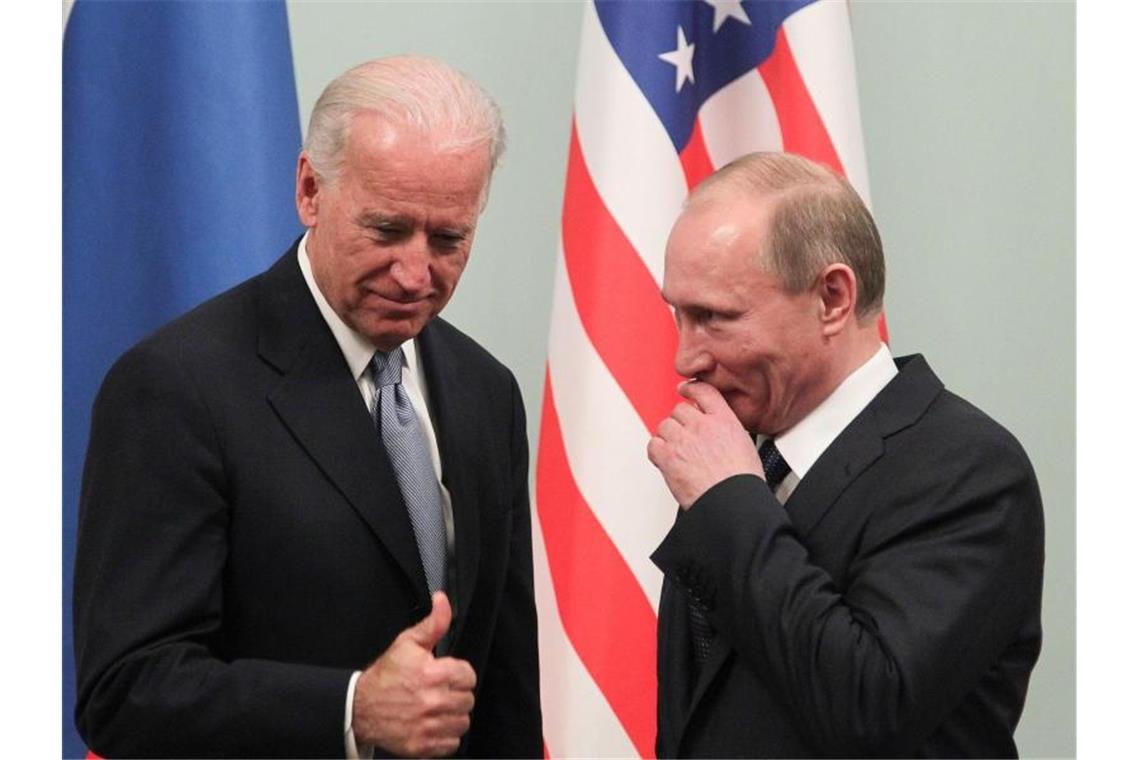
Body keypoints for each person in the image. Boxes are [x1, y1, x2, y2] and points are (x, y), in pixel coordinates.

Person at [73, 56, 541, 758]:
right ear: (310, 190)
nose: (417, 274)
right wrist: (351, 709)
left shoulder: (485, 391)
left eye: (449, 239)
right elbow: (125, 688)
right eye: (386, 230)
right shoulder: (176, 387)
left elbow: (501, 686)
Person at [647, 152, 1044, 758]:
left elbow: (868, 708)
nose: (686, 358)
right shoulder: (742, 461)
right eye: (679, 315)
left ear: (832, 298)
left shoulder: (970, 470)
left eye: (714, 318)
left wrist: (732, 504)